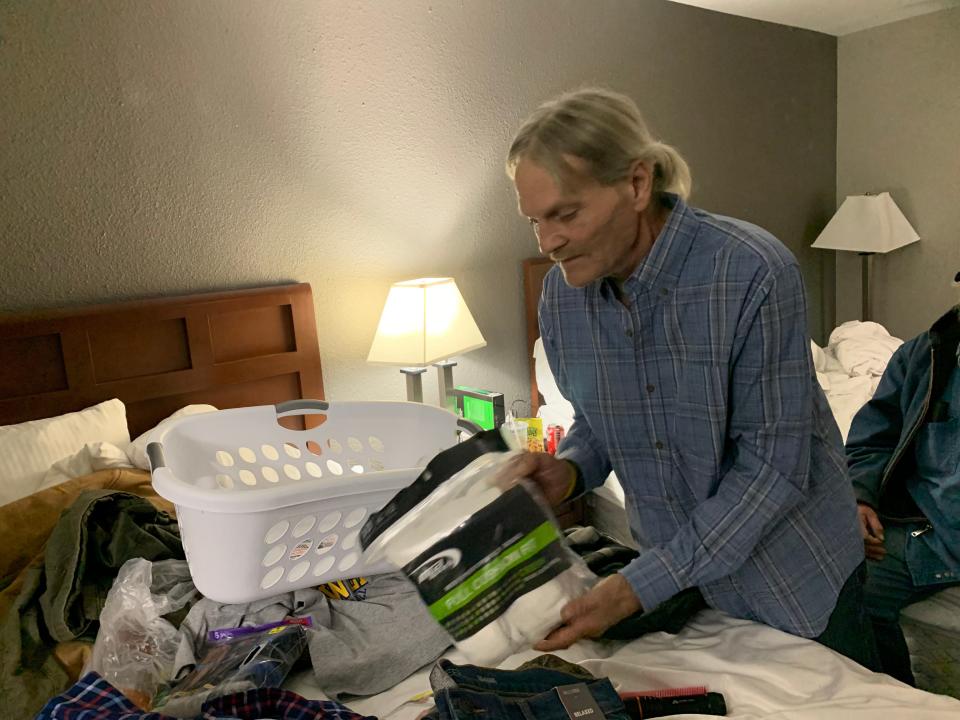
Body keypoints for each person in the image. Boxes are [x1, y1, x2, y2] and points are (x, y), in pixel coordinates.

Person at [505, 87, 878, 669]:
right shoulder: (561, 301)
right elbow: (601, 423)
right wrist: (570, 470)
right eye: (535, 221)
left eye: (566, 214)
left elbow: (774, 468)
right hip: (685, 579)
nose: (548, 243)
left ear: (636, 184)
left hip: (797, 576)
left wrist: (635, 587)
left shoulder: (752, 269)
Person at [846, 302, 960, 685]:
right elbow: (871, 441)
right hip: (926, 532)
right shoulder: (923, 357)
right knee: (846, 586)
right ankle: (899, 702)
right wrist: (860, 498)